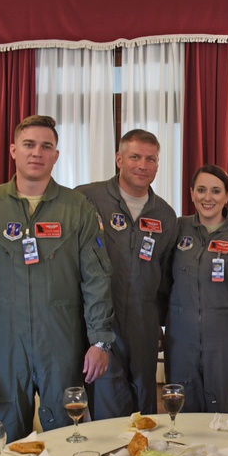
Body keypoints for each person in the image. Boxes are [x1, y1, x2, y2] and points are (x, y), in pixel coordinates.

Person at [0, 115, 114, 441]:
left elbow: (97, 278)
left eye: (46, 146)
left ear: (56, 155)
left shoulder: (78, 209)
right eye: (29, 145)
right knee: (4, 431)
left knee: (67, 430)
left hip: (61, 340)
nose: (37, 153)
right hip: (6, 340)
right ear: (13, 150)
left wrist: (100, 340)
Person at [76, 129, 177, 418]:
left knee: (144, 403)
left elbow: (165, 277)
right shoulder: (85, 199)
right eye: (135, 157)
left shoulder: (165, 215)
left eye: (150, 159)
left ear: (158, 164)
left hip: (144, 323)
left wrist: (158, 321)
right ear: (119, 159)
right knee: (107, 402)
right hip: (99, 321)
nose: (142, 166)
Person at [165, 165, 228, 412]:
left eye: (216, 191)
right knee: (183, 405)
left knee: (225, 405)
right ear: (191, 193)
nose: (207, 198)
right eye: (201, 190)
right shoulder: (178, 228)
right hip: (181, 336)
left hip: (226, 338)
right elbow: (162, 279)